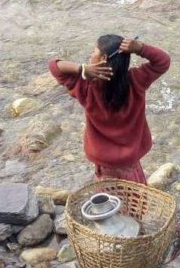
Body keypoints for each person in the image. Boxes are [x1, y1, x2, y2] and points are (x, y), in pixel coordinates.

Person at [49, 34, 170, 183]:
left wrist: (82, 69)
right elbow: (163, 61)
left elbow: (54, 66)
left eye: (94, 52)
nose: (90, 55)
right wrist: (140, 48)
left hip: (105, 163)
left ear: (103, 58)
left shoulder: (86, 87)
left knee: (111, 200)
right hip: (131, 161)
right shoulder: (136, 80)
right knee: (136, 199)